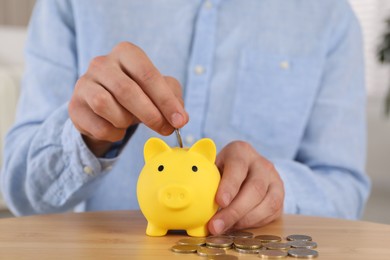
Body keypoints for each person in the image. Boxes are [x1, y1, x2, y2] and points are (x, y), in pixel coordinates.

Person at [0, 0, 370, 235]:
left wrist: (276, 189)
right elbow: (22, 195)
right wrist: (88, 137)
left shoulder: (330, 15)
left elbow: (344, 187)